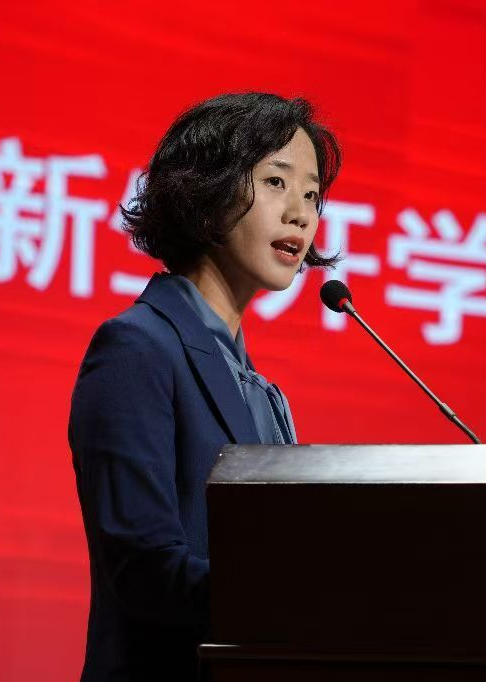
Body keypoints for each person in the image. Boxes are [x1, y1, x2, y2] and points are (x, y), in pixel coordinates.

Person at [68, 92, 342, 682]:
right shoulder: (137, 348)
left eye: (312, 194)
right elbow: (142, 569)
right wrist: (302, 606)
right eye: (276, 182)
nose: (300, 214)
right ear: (206, 193)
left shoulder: (262, 392)